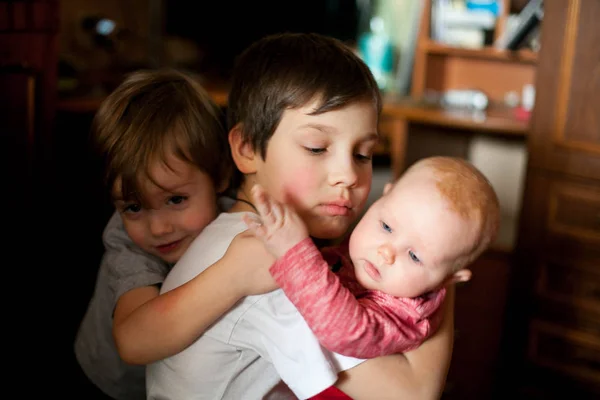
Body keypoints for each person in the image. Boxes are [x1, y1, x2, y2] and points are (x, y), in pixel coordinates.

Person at [147, 32, 456, 400]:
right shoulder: (265, 264)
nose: (349, 175)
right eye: (316, 147)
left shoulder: (249, 234)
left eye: (363, 154)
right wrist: (440, 265)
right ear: (246, 149)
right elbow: (412, 394)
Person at [73, 68, 276, 400]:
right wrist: (234, 276)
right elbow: (133, 342)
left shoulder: (231, 211)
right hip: (116, 384)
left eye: (176, 200)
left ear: (221, 176)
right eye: (134, 207)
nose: (158, 227)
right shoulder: (128, 244)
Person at [243, 156, 500, 359]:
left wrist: (295, 254)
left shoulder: (406, 315)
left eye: (413, 256)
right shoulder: (358, 257)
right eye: (387, 227)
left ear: (450, 279)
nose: (386, 252)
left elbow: (344, 332)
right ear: (383, 196)